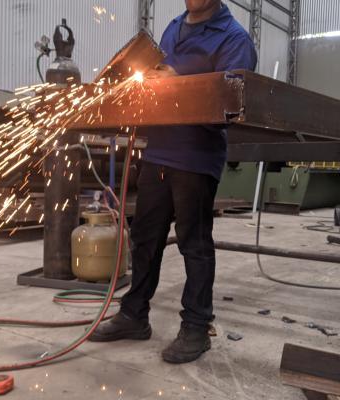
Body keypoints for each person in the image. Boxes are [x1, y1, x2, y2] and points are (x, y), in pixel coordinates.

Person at [89, 0, 257, 364]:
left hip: (196, 158)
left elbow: (229, 106)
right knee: (145, 237)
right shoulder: (173, 28)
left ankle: (196, 326)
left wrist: (176, 85)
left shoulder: (234, 39)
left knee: (193, 244)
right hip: (159, 153)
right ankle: (134, 315)